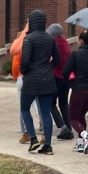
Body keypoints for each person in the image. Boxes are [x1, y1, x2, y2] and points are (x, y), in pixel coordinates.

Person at [19, 9, 59, 154]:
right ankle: (48, 145)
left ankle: (33, 139)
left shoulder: (29, 39)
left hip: (31, 79)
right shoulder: (50, 39)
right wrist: (48, 68)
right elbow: (58, 59)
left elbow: (25, 60)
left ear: (32, 21)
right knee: (46, 112)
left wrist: (25, 71)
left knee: (24, 108)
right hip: (47, 79)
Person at [62, 28, 88, 154]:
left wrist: (71, 83)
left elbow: (65, 72)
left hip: (78, 89)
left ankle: (86, 136)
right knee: (81, 116)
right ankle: (80, 144)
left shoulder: (75, 55)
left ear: (80, 41)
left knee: (73, 117)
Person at [48, 24, 74, 140]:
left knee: (51, 104)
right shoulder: (65, 42)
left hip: (57, 77)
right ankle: (69, 129)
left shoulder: (56, 43)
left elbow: (55, 59)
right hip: (66, 78)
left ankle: (63, 127)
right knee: (63, 103)